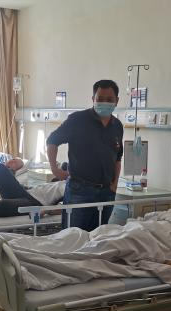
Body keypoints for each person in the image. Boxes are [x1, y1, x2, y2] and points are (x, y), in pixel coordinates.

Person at [47, 79, 123, 232]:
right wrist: (55, 169)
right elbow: (52, 141)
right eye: (100, 99)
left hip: (106, 193)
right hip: (80, 191)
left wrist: (114, 184)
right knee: (72, 237)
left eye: (109, 99)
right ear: (93, 99)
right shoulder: (78, 120)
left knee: (99, 238)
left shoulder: (117, 126)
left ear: (117, 101)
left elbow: (117, 158)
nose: (104, 103)